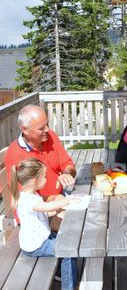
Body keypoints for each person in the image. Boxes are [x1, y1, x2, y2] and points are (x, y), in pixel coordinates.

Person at [10, 158, 78, 290]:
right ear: (36, 180)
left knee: (70, 241)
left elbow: (44, 214)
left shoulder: (32, 195)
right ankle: (69, 287)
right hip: (36, 245)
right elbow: (48, 207)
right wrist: (67, 201)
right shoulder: (28, 200)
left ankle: (69, 278)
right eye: (44, 177)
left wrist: (59, 209)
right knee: (68, 250)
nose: (47, 179)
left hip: (41, 238)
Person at [5, 105, 76, 200]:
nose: (47, 129)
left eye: (47, 124)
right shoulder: (15, 153)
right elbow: (21, 197)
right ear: (25, 129)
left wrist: (67, 173)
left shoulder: (51, 136)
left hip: (59, 198)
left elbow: (67, 164)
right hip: (37, 209)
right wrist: (52, 199)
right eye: (41, 128)